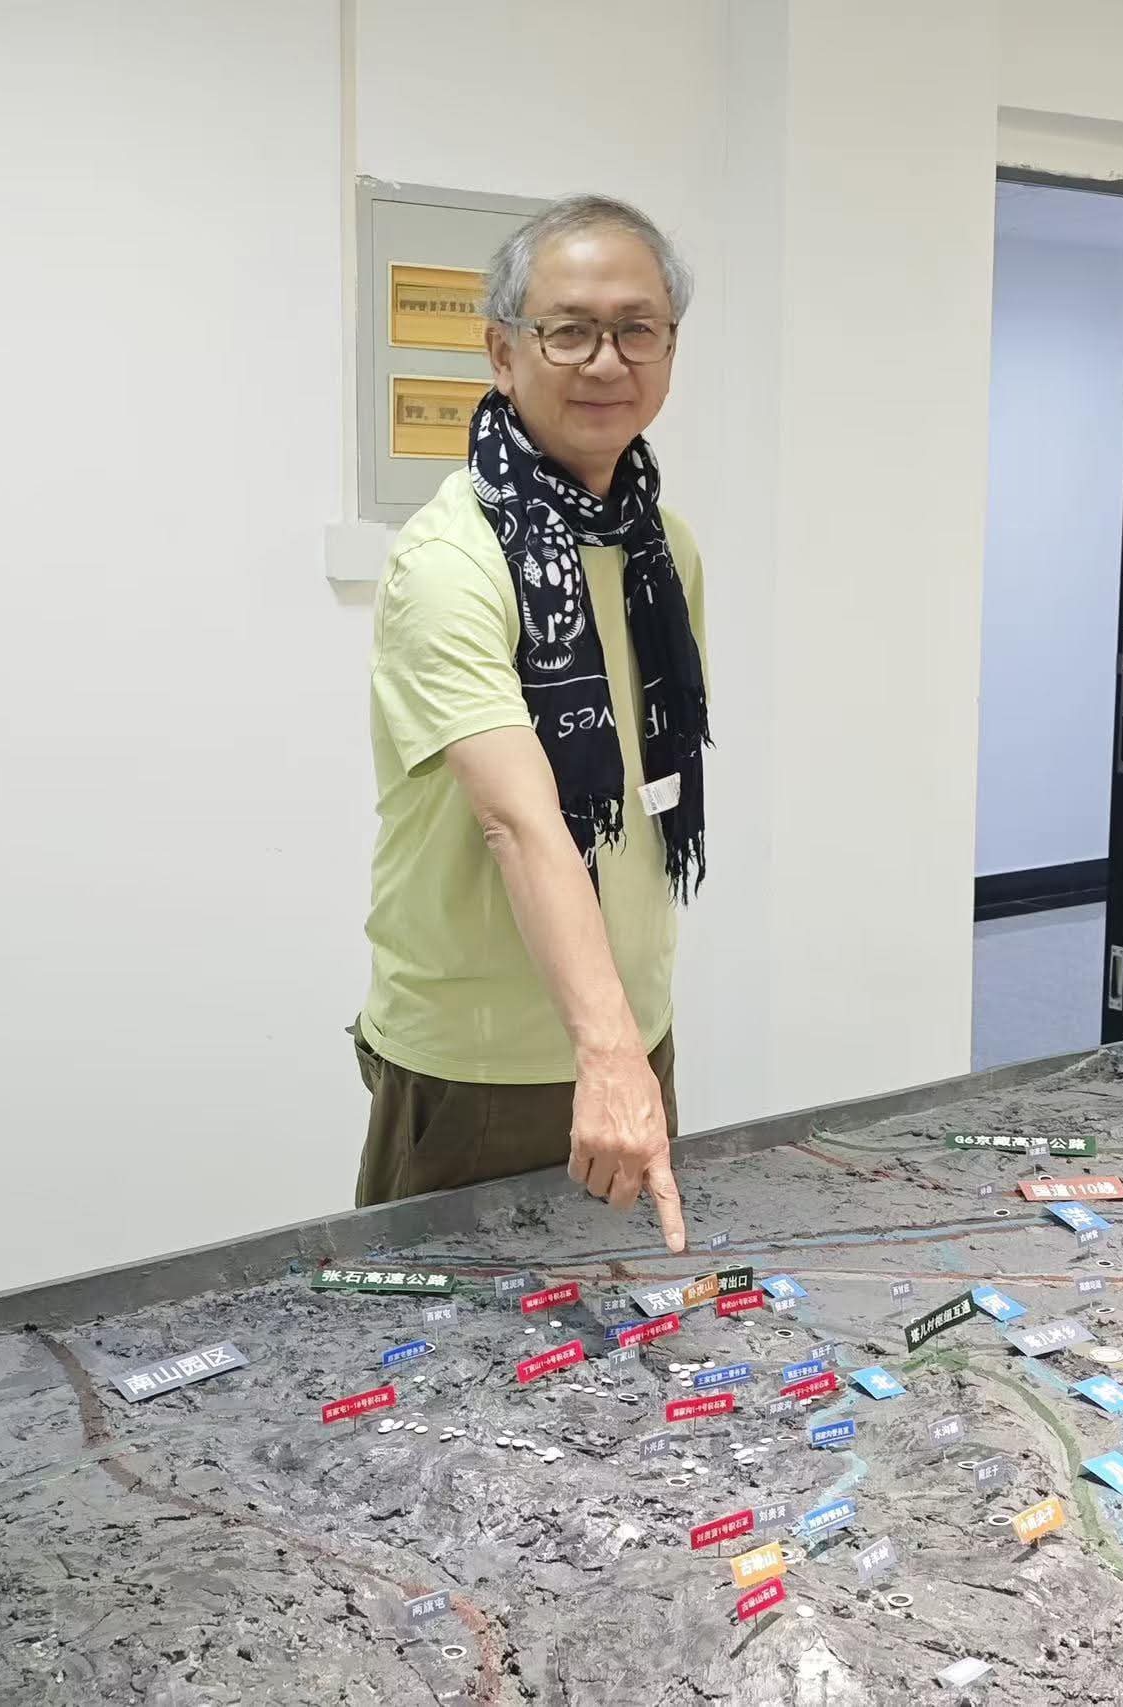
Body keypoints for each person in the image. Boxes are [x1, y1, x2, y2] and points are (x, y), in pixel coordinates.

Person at [350, 193, 709, 1254]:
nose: (606, 361)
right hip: (479, 1064)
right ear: (503, 353)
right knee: (447, 1350)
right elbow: (519, 819)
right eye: (569, 330)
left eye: (636, 329)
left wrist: (628, 1046)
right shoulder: (449, 560)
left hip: (628, 1037)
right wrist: (608, 1053)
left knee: (635, 1330)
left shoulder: (662, 550)